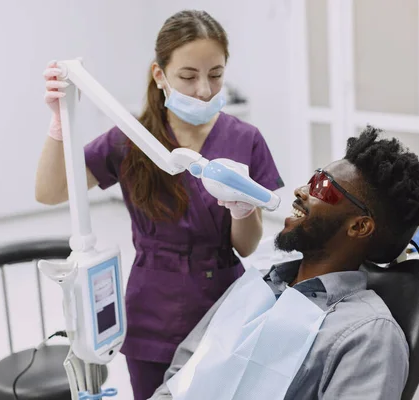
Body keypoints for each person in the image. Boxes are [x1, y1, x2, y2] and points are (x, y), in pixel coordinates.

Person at [34, 9, 284, 400]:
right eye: (188, 76)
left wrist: (242, 208)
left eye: (215, 75)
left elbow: (247, 246)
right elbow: (49, 191)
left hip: (222, 303)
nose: (204, 90)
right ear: (160, 75)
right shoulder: (131, 139)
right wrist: (58, 123)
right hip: (152, 308)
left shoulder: (244, 139)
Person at [149, 126, 419, 400]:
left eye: (323, 188)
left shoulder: (367, 335)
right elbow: (181, 375)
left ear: (359, 227)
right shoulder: (257, 284)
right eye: (313, 179)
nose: (301, 190)